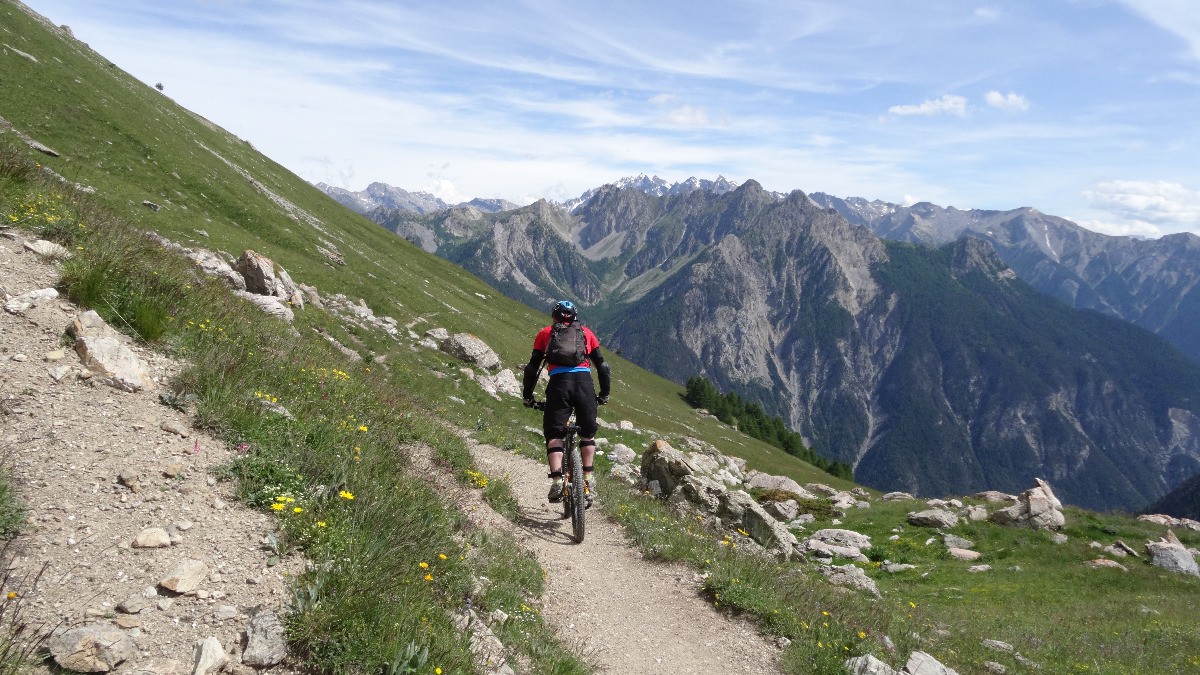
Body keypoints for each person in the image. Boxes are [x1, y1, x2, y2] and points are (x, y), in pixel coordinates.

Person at [522, 299, 611, 505]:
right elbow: (603, 367)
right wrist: (604, 394)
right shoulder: (587, 333)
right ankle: (588, 479)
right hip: (584, 384)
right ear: (575, 317)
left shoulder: (546, 334)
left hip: (559, 385)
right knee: (588, 434)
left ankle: (556, 481)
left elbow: (532, 369)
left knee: (555, 434)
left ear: (554, 317)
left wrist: (528, 395)